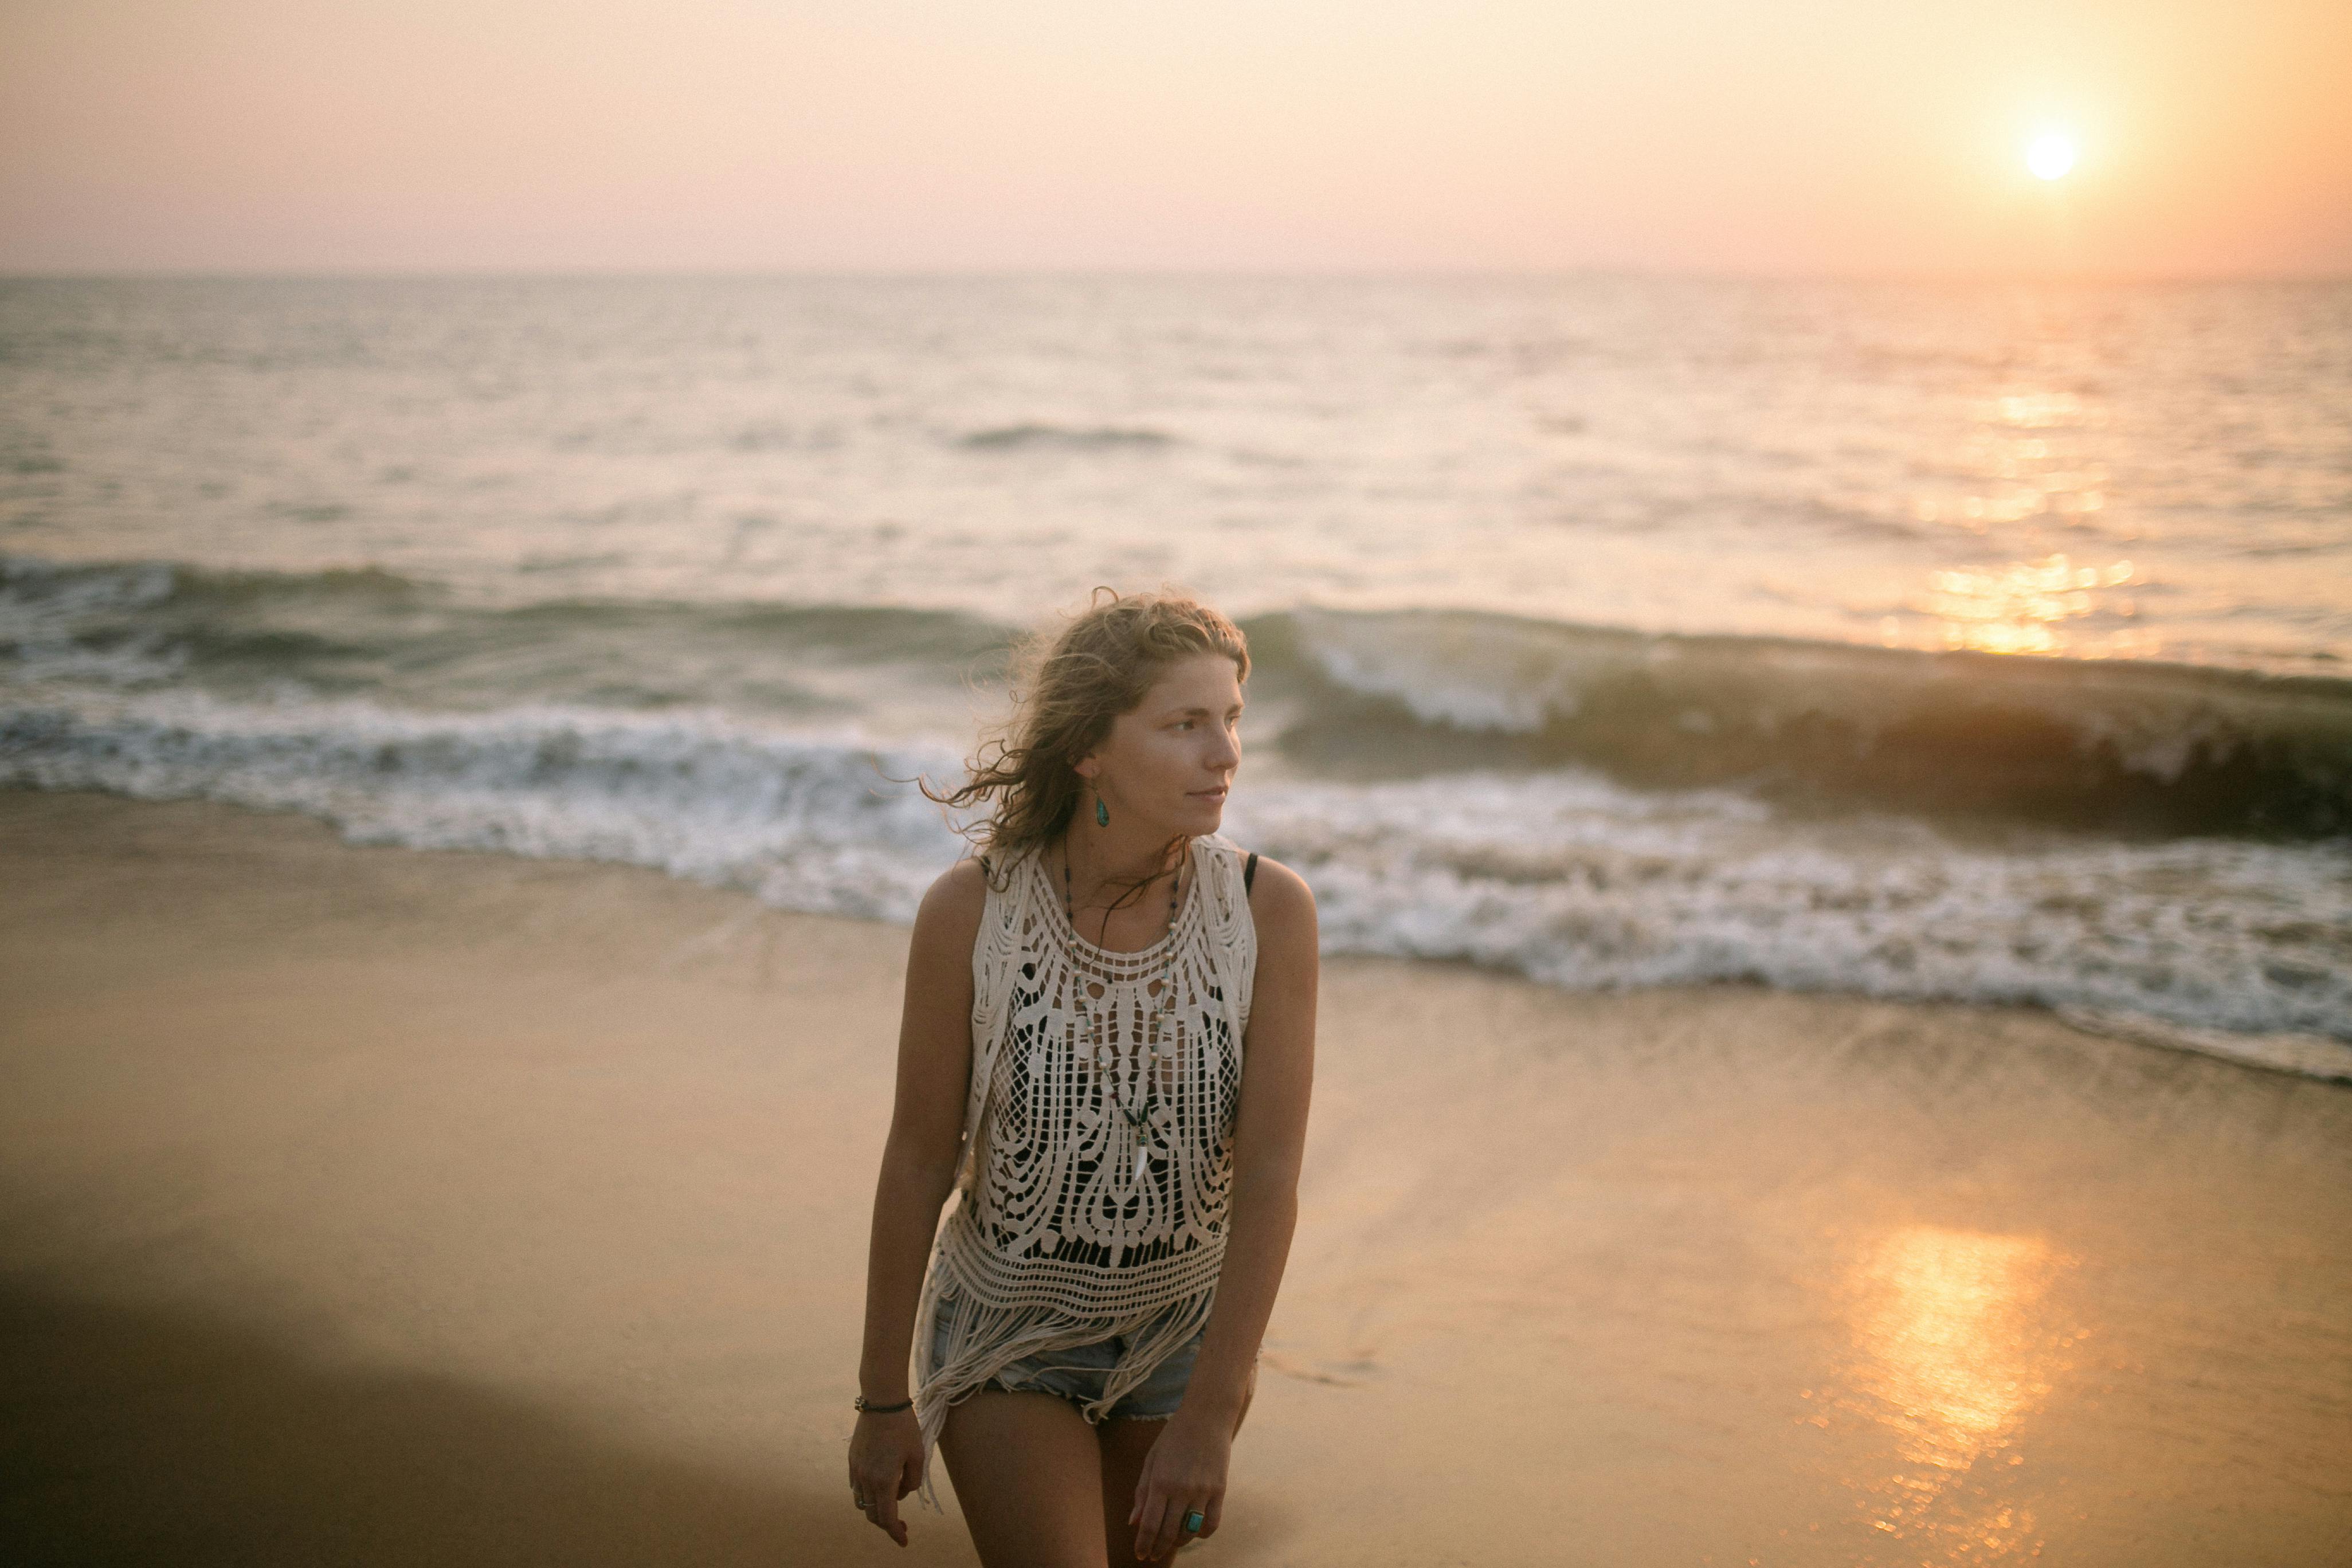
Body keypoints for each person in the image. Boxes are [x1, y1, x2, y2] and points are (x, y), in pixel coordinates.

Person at [847, 589, 1318, 1566]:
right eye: (1185, 724)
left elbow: (1271, 1174)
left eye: (1231, 718)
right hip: (1007, 1331)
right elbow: (919, 1159)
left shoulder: (1267, 910)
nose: (1226, 753)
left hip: (1185, 1340)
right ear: (1089, 749)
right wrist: (881, 1399)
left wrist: (1211, 1413)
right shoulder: (971, 913)